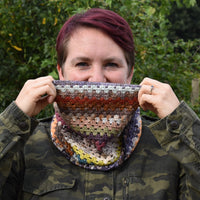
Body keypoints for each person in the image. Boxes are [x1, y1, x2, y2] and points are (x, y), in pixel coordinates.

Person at [0, 8, 199, 200]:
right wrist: (12, 122)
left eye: (111, 64)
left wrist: (182, 123)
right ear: (61, 72)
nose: (97, 79)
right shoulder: (23, 146)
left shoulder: (171, 147)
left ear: (129, 74)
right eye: (82, 64)